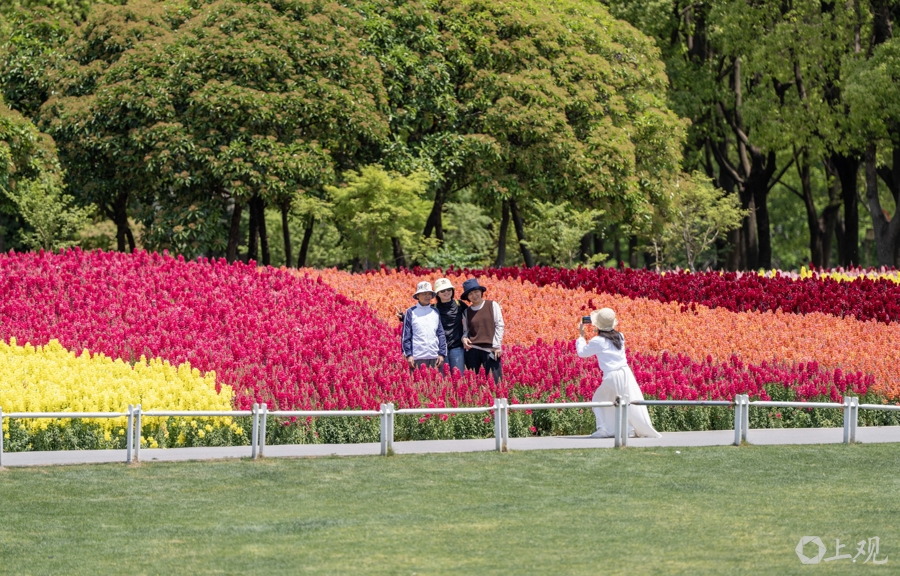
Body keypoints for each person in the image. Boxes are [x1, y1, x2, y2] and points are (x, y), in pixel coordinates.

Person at [576, 308, 661, 438]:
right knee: (624, 401)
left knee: (599, 400)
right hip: (625, 373)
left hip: (612, 375)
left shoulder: (598, 341)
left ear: (597, 325)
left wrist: (581, 335)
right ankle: (628, 429)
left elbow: (582, 353)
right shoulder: (620, 336)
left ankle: (604, 429)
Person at [460, 278, 504, 382]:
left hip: (490, 350)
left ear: (481, 292)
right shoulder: (466, 311)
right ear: (467, 297)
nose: (474, 295)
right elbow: (466, 330)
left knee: (496, 382)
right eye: (470, 294)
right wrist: (464, 338)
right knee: (473, 383)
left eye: (476, 292)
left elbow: (499, 325)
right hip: (472, 350)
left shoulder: (492, 305)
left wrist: (497, 346)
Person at [401, 281, 446, 371]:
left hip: (434, 356)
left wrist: (442, 353)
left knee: (436, 384)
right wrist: (409, 355)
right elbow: (406, 335)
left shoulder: (435, 311)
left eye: (429, 294)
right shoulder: (411, 312)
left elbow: (440, 333)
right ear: (417, 296)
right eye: (424, 294)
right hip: (417, 357)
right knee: (418, 384)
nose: (427, 296)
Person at [433, 277, 467, 375]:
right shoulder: (433, 308)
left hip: (457, 348)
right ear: (437, 293)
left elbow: (474, 315)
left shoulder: (459, 304)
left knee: (458, 377)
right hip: (440, 349)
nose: (446, 292)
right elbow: (421, 318)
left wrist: (493, 310)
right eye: (442, 290)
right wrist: (403, 317)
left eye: (449, 289)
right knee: (444, 381)